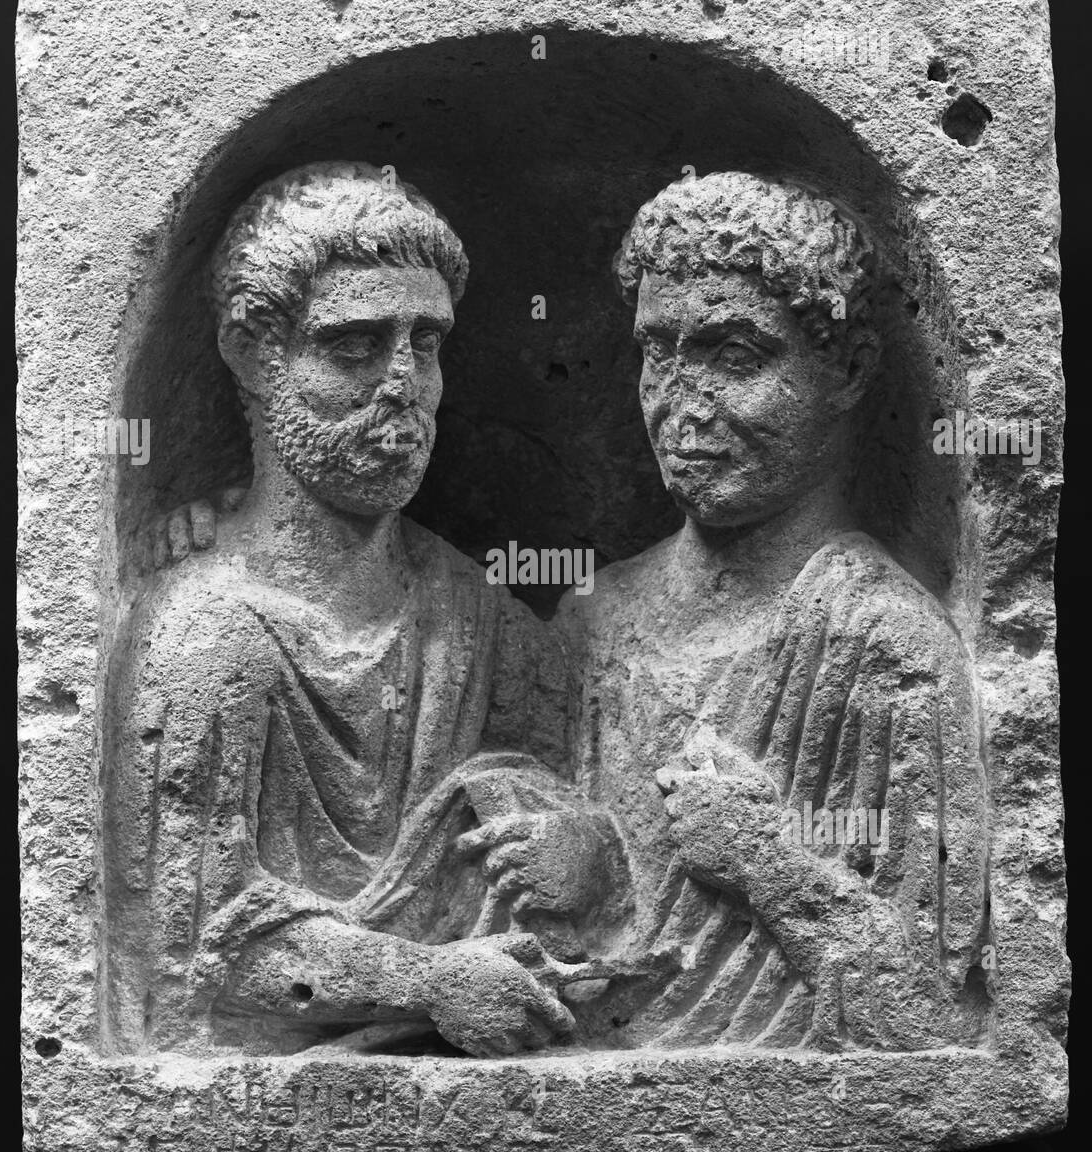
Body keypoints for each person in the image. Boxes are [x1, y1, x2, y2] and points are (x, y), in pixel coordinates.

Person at [105, 163, 630, 1059]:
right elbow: (191, 951)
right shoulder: (203, 636)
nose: (401, 385)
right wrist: (428, 980)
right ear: (256, 355)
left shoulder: (474, 610)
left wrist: (582, 849)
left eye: (423, 345)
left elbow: (591, 799)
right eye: (353, 346)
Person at [551, 172, 990, 1051]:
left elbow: (937, 1023)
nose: (682, 403)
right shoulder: (590, 620)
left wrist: (766, 863)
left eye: (733, 357)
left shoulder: (887, 649)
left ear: (848, 371)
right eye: (658, 352)